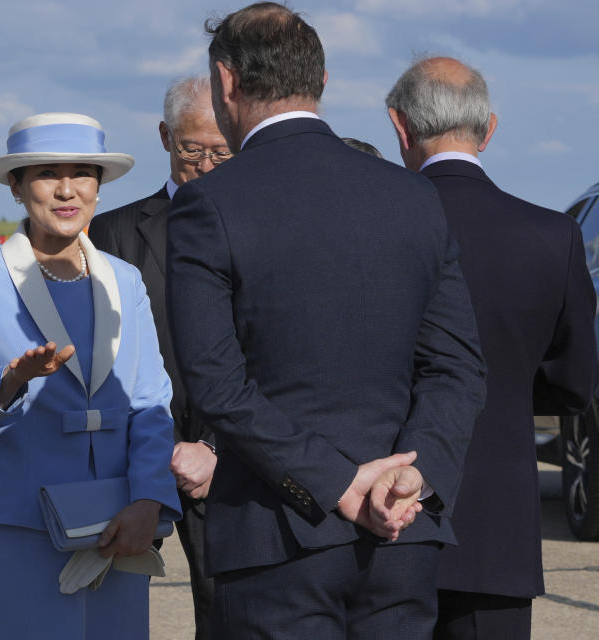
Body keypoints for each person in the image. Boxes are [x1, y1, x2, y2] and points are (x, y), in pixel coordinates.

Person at [166, 4, 488, 638]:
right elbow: (457, 365)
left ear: (226, 83)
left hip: (275, 537)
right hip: (402, 534)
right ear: (322, 79)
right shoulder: (412, 194)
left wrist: (339, 486)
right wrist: (411, 478)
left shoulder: (210, 202)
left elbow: (218, 385)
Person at [0, 112, 181, 640]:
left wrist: (149, 500)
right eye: (48, 173)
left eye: (83, 173)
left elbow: (150, 404)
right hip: (18, 525)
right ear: (16, 186)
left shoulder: (126, 279)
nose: (68, 189)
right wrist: (8, 385)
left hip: (117, 524)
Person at [386, 56, 598, 640]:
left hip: (383, 515)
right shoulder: (553, 236)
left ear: (399, 127)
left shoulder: (373, 228)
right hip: (496, 525)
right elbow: (576, 384)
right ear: (490, 128)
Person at [87, 75, 228, 640]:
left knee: (227, 615)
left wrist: (216, 445)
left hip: (232, 462)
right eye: (193, 148)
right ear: (165, 137)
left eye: (223, 150)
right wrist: (156, 450)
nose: (207, 163)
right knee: (109, 610)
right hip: (134, 460)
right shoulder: (112, 233)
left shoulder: (266, 229)